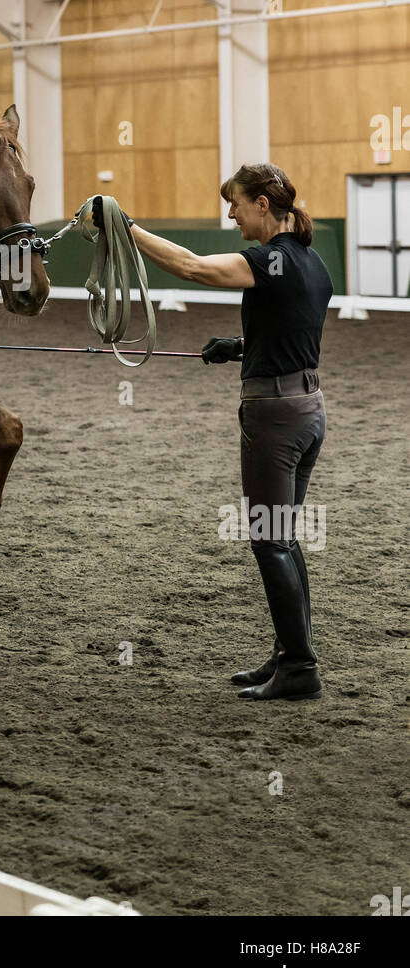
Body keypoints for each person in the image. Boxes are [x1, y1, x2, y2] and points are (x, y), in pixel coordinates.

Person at [125, 164, 333, 701]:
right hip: (309, 410)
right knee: (284, 538)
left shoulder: (267, 260)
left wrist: (128, 230)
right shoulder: (312, 263)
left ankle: (300, 668)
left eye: (237, 203)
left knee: (270, 541)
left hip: (275, 418)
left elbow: (193, 268)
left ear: (264, 204)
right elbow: (292, 333)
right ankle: (291, 655)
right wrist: (239, 347)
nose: (230, 212)